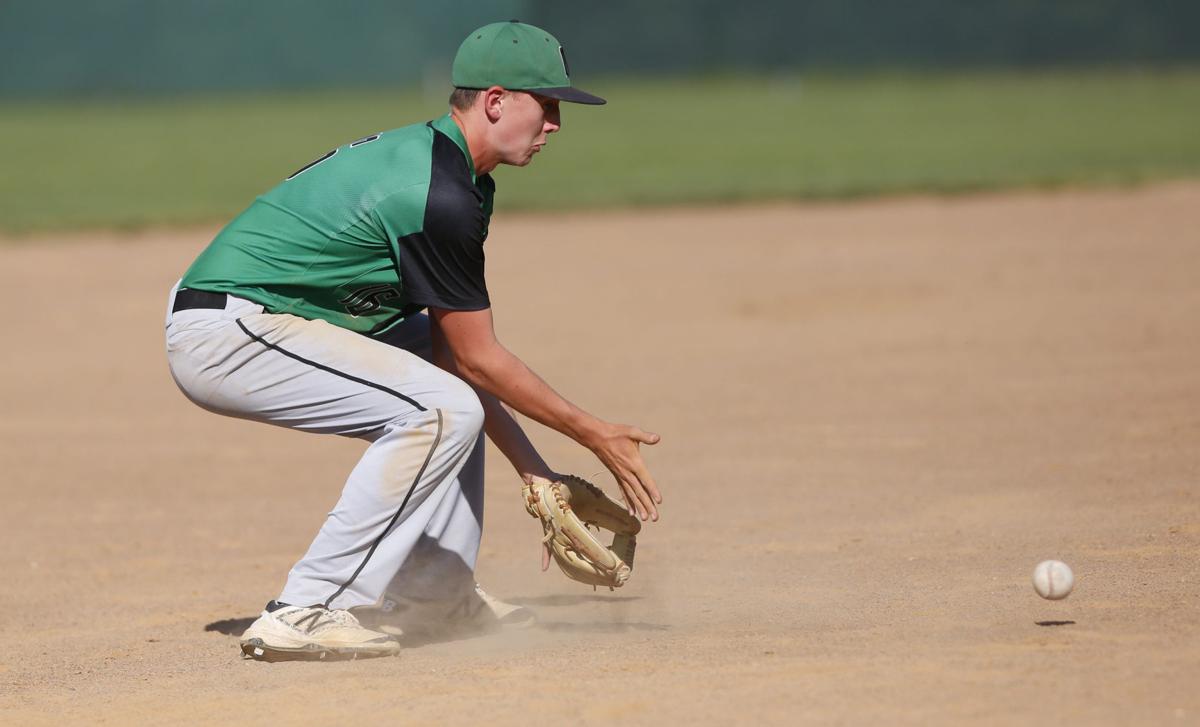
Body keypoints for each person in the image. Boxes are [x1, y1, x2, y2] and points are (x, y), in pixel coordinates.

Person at [163, 20, 662, 662]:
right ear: (496, 100)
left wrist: (535, 471)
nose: (556, 123)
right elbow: (480, 358)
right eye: (548, 104)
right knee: (440, 410)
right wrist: (592, 432)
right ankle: (307, 608)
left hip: (260, 316)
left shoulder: (455, 173)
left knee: (447, 392)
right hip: (230, 331)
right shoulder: (440, 193)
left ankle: (436, 596)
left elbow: (460, 359)